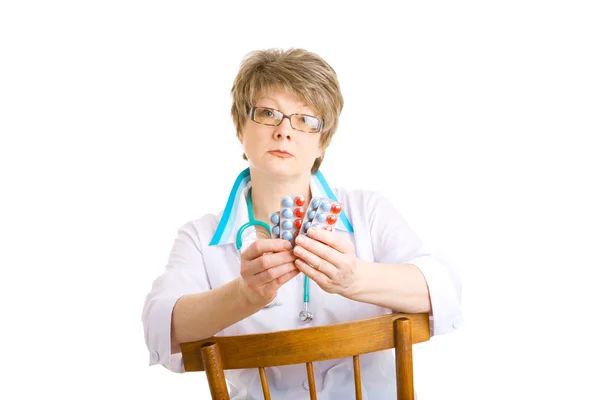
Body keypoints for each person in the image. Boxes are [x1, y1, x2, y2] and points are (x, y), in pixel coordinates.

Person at [141, 48, 462, 399]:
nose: (284, 131)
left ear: (323, 141)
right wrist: (244, 295)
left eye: (306, 119)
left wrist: (354, 278)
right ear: (239, 128)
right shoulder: (200, 238)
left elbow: (443, 289)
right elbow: (162, 328)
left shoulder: (366, 211)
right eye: (267, 113)